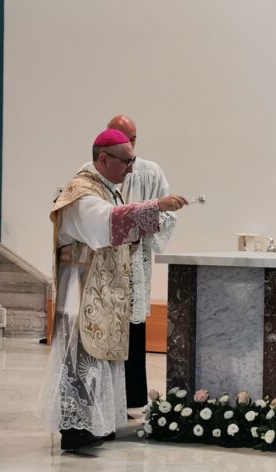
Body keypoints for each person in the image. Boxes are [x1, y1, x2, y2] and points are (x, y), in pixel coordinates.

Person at [39, 129, 187, 451]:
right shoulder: (81, 192)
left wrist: (151, 218)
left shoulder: (108, 190)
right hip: (81, 290)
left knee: (102, 360)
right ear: (104, 159)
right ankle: (76, 429)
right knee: (80, 360)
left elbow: (123, 232)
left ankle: (98, 423)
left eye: (133, 161)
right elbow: (105, 224)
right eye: (126, 161)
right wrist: (154, 206)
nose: (131, 169)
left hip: (102, 290)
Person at [106, 115, 176, 411]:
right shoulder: (97, 172)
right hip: (107, 263)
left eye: (133, 139)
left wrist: (138, 226)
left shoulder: (150, 171)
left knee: (134, 331)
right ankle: (106, 399)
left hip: (135, 261)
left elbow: (168, 215)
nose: (130, 145)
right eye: (124, 139)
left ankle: (132, 397)